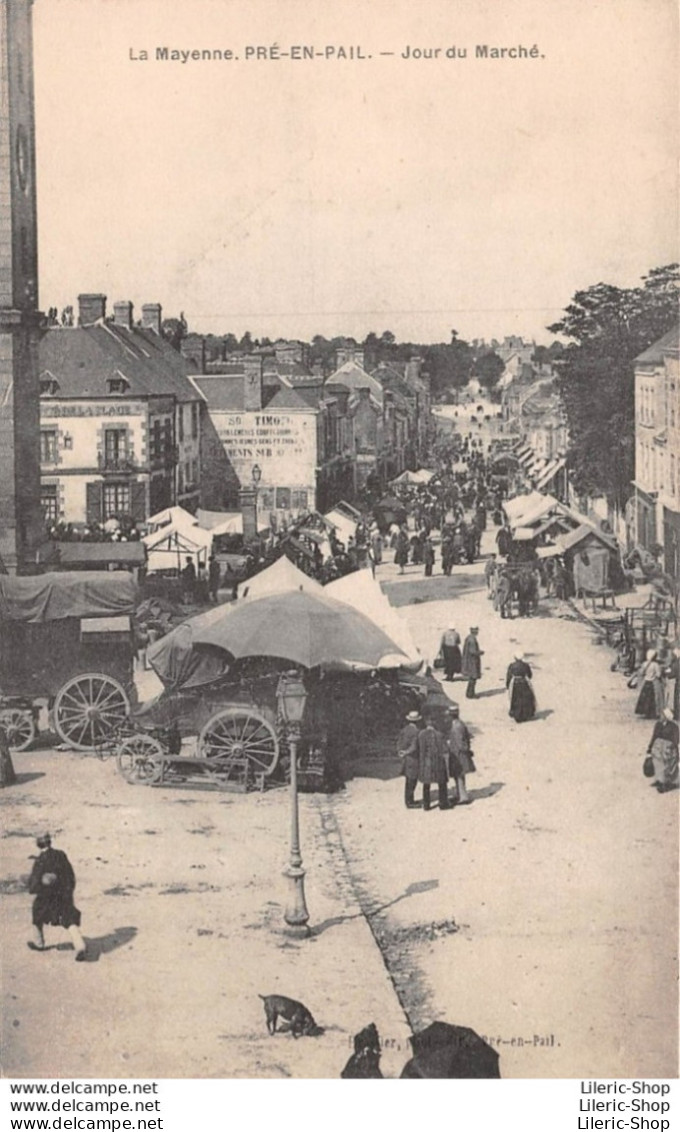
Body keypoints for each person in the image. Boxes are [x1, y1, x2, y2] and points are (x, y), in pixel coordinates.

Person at [27, 833, 87, 961]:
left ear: (38, 844)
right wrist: (68, 889)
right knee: (68, 918)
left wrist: (31, 887)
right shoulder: (60, 854)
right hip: (63, 893)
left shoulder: (40, 860)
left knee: (37, 913)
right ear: (50, 842)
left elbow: (36, 880)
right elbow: (70, 874)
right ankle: (80, 946)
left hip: (47, 895)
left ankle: (39, 944)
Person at [417, 718, 450, 810]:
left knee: (426, 784)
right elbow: (445, 749)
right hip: (438, 761)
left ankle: (426, 805)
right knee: (442, 783)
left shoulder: (421, 734)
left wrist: (421, 763)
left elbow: (421, 751)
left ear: (426, 724)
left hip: (427, 762)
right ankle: (443, 804)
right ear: (435, 724)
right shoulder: (440, 734)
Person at [444, 704, 474, 804]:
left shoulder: (456, 726)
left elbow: (460, 743)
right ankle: (460, 794)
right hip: (459, 753)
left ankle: (463, 797)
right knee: (458, 775)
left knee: (459, 774)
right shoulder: (459, 724)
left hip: (458, 754)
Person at [646, 707, 679, 792]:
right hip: (658, 748)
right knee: (657, 761)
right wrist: (649, 748)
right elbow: (654, 737)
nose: (660, 716)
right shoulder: (658, 725)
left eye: (662, 715)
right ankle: (660, 780)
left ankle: (667, 782)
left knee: (666, 761)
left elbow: (675, 741)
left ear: (667, 717)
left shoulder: (674, 727)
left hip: (668, 749)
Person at [397, 710, 421, 808]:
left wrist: (401, 752)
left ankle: (408, 800)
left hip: (406, 759)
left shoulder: (404, 730)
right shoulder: (417, 732)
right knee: (412, 780)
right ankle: (410, 802)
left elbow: (399, 742)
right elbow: (414, 746)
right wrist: (407, 752)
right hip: (414, 759)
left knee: (408, 780)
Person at [506, 652, 537, 722]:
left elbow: (509, 676)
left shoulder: (512, 665)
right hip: (524, 683)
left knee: (516, 699)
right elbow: (530, 675)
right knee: (526, 699)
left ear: (515, 658)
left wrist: (507, 685)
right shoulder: (525, 665)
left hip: (515, 683)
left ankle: (517, 715)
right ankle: (526, 714)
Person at [635, 649, 665, 719]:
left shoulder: (645, 664)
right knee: (654, 699)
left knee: (645, 698)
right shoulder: (656, 665)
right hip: (653, 683)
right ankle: (653, 713)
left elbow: (641, 672)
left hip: (646, 682)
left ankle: (645, 712)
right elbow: (658, 675)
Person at [461, 627, 483, 699]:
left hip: (469, 660)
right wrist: (480, 652)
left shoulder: (469, 638)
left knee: (472, 678)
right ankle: (470, 694)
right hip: (472, 661)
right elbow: (472, 651)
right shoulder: (472, 640)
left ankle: (470, 693)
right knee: (473, 678)